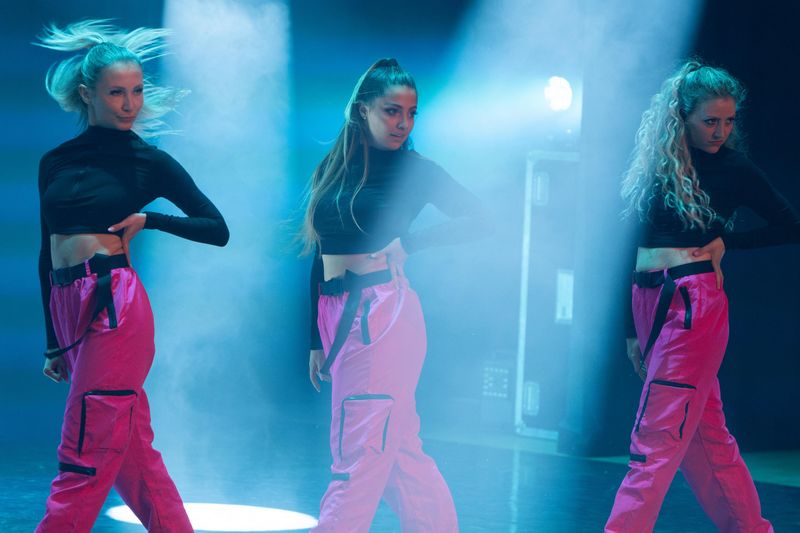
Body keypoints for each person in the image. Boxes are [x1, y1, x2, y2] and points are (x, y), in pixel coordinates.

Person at [35, 20, 229, 532]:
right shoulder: (54, 162)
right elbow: (45, 253)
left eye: (137, 91)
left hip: (114, 308)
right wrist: (53, 342)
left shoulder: (149, 161)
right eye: (116, 93)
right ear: (87, 94)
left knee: (85, 448)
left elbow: (217, 229)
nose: (130, 104)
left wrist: (150, 219)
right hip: (68, 306)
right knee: (131, 454)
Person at [605, 59, 799, 532]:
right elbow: (629, 249)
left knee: (654, 438)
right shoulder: (654, 166)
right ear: (682, 116)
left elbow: (789, 225)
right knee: (705, 436)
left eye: (729, 121)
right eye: (711, 121)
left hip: (693, 305)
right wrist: (630, 331)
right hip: (649, 300)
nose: (720, 131)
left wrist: (728, 241)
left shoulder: (734, 167)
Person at [302, 58, 487, 532]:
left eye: (410, 113)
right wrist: (316, 339)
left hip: (379, 313)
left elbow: (484, 218)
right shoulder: (334, 167)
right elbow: (319, 254)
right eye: (392, 111)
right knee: (401, 455)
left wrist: (412, 243)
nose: (403, 123)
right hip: (338, 314)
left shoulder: (415, 170)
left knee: (359, 455)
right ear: (363, 110)